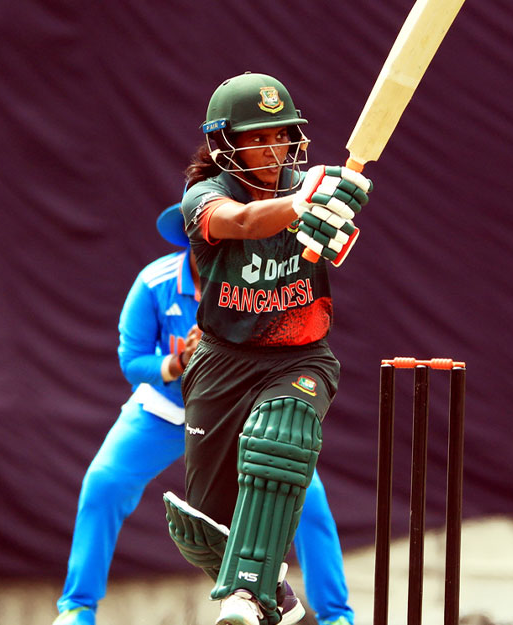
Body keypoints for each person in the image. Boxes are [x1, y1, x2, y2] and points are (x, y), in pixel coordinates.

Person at [53, 203, 356, 625]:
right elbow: (132, 360)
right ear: (192, 238)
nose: (221, 245)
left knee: (305, 495)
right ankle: (77, 608)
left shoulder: (262, 279)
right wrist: (179, 362)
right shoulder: (155, 282)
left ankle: (336, 616)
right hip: (166, 412)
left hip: (239, 414)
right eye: (210, 236)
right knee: (104, 482)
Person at [160, 72, 371, 625]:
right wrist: (303, 204)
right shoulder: (205, 196)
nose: (274, 149)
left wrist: (335, 208)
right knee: (203, 530)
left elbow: (335, 243)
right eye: (257, 138)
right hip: (223, 360)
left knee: (281, 437)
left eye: (281, 135)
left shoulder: (310, 185)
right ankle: (277, 596)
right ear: (224, 143)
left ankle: (246, 592)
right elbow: (244, 221)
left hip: (300, 356)